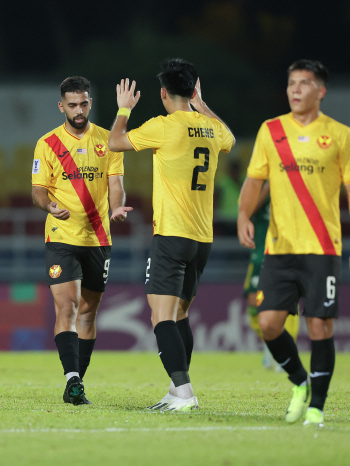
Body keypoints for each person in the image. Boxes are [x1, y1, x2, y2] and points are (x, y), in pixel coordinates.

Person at [238, 60, 350, 427]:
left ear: (320, 91)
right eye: (291, 83)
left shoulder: (339, 134)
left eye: (304, 83)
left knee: (319, 328)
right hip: (279, 249)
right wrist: (243, 215)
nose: (295, 89)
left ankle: (316, 409)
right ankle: (300, 382)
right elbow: (253, 180)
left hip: (322, 249)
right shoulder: (271, 130)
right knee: (268, 324)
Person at [109, 58, 235, 412]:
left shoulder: (164, 126)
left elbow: (115, 142)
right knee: (179, 314)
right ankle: (176, 387)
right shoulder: (210, 128)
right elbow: (231, 138)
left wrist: (123, 108)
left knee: (160, 316)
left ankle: (183, 392)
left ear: (163, 93)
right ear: (193, 90)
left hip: (171, 234)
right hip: (202, 239)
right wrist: (202, 104)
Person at [32, 76, 132, 405]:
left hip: (99, 238)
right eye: (72, 105)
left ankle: (77, 383)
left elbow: (115, 182)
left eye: (84, 104)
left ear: (90, 103)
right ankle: (72, 377)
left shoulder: (108, 140)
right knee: (68, 306)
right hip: (61, 237)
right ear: (62, 106)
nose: (78, 110)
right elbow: (38, 190)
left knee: (88, 313)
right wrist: (49, 205)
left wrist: (117, 206)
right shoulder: (47, 143)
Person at [243, 182, 300, 370]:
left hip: (286, 253)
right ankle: (271, 344)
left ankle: (285, 352)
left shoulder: (292, 187)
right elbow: (245, 212)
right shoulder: (256, 185)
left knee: (288, 303)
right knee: (253, 304)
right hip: (260, 253)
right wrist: (267, 188)